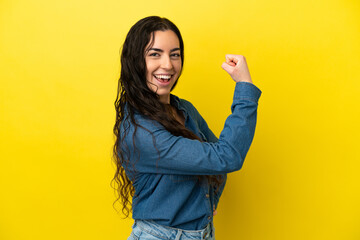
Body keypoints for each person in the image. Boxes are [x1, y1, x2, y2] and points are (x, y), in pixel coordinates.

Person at [112, 16, 262, 240]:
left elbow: (219, 163)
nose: (168, 65)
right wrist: (245, 88)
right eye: (155, 54)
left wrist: (208, 202)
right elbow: (227, 157)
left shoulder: (183, 109)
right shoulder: (141, 132)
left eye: (175, 54)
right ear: (135, 61)